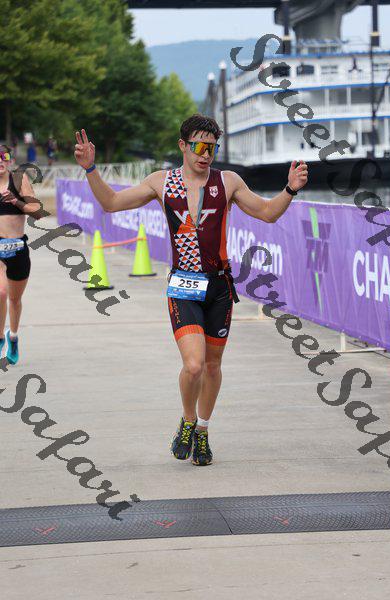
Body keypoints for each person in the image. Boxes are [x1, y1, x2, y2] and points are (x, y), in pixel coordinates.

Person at [74, 114, 308, 466]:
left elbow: (267, 213)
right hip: (183, 286)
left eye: (212, 148)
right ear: (183, 145)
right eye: (199, 147)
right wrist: (91, 169)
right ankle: (187, 420)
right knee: (194, 365)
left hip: (219, 288)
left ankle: (203, 430)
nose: (206, 154)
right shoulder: (161, 182)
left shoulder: (228, 182)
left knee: (212, 367)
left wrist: (289, 189)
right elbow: (111, 203)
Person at [0, 145, 41, 364]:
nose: (0, 160)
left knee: (14, 300)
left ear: (10, 160)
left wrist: (15, 202)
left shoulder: (18, 179)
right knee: (1, 293)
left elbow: (38, 212)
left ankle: (13, 337)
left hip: (17, 248)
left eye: (4, 156)